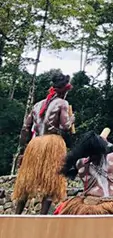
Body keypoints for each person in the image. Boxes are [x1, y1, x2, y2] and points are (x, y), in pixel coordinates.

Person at [13, 73, 75, 214]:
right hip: (52, 143)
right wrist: (72, 119)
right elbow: (65, 126)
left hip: (35, 144)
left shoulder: (37, 105)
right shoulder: (63, 103)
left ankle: (16, 215)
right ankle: (42, 217)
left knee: (26, 181)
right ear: (65, 91)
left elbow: (25, 128)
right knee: (51, 181)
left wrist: (24, 149)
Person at [56, 129, 113, 215]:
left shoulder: (80, 163)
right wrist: (108, 146)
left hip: (104, 205)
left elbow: (71, 163)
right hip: (103, 205)